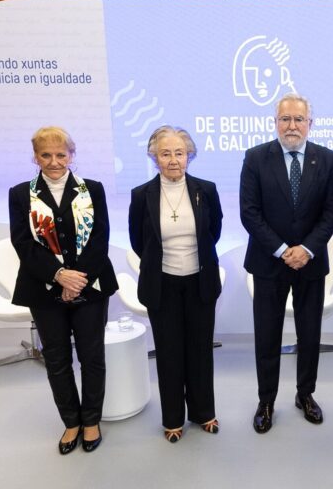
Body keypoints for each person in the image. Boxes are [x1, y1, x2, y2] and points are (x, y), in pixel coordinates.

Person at [9, 126, 117, 454]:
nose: (54, 162)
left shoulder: (93, 190)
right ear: (35, 157)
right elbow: (23, 243)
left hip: (90, 286)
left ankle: (92, 420)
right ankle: (71, 422)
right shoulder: (20, 194)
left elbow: (100, 238)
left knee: (92, 357)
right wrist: (59, 275)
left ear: (71, 155)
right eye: (46, 155)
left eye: (61, 154)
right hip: (43, 291)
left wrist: (76, 278)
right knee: (56, 360)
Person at [240, 92, 333, 433]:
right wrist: (283, 249)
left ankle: (305, 394)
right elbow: (249, 213)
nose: (292, 125)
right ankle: (266, 400)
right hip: (269, 264)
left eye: (299, 119)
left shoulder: (326, 159)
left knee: (309, 334)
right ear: (275, 122)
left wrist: (306, 249)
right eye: (286, 119)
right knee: (267, 336)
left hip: (310, 263)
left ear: (310, 124)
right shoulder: (255, 158)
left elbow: (331, 212)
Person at [129, 125, 223, 443]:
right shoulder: (141, 195)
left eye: (179, 153)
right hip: (163, 284)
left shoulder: (205, 190)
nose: (173, 160)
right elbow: (139, 241)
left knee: (200, 350)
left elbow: (214, 232)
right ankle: (172, 419)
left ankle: (203, 413)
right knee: (169, 353)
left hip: (200, 282)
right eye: (165, 153)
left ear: (189, 156)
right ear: (154, 157)